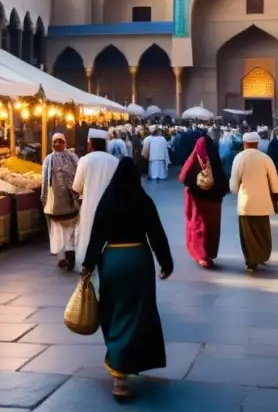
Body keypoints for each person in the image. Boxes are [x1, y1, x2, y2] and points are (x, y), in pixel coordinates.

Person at [82, 158, 173, 400]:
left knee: (113, 311)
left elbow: (97, 235)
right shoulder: (143, 201)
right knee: (137, 312)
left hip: (112, 260)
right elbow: (156, 233)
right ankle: (127, 364)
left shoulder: (107, 200)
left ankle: (118, 374)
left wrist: (88, 265)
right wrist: (166, 263)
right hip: (138, 260)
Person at [230, 131, 278, 272]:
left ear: (244, 143)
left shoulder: (239, 158)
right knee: (262, 232)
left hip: (246, 203)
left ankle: (251, 261)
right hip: (263, 203)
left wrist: (234, 190)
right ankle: (262, 255)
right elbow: (274, 180)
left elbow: (234, 183)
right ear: (257, 143)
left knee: (247, 234)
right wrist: (277, 195)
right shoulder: (265, 158)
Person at [178, 133, 229, 268]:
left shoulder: (194, 160)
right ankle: (209, 254)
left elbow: (184, 177)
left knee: (198, 226)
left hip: (197, 200)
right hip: (214, 201)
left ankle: (200, 255)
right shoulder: (215, 161)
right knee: (212, 228)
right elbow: (223, 184)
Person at [72, 128, 120, 267]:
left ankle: (87, 263)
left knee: (88, 234)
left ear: (91, 143)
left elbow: (76, 187)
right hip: (110, 205)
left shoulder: (85, 160)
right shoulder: (114, 161)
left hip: (89, 206)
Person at [41, 132, 80, 271]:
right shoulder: (48, 160)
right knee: (60, 232)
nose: (57, 144)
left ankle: (69, 256)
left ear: (65, 143)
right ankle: (65, 257)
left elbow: (78, 176)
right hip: (57, 202)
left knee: (69, 231)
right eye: (55, 142)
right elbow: (45, 181)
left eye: (60, 141)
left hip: (71, 202)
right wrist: (45, 197)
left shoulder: (73, 157)